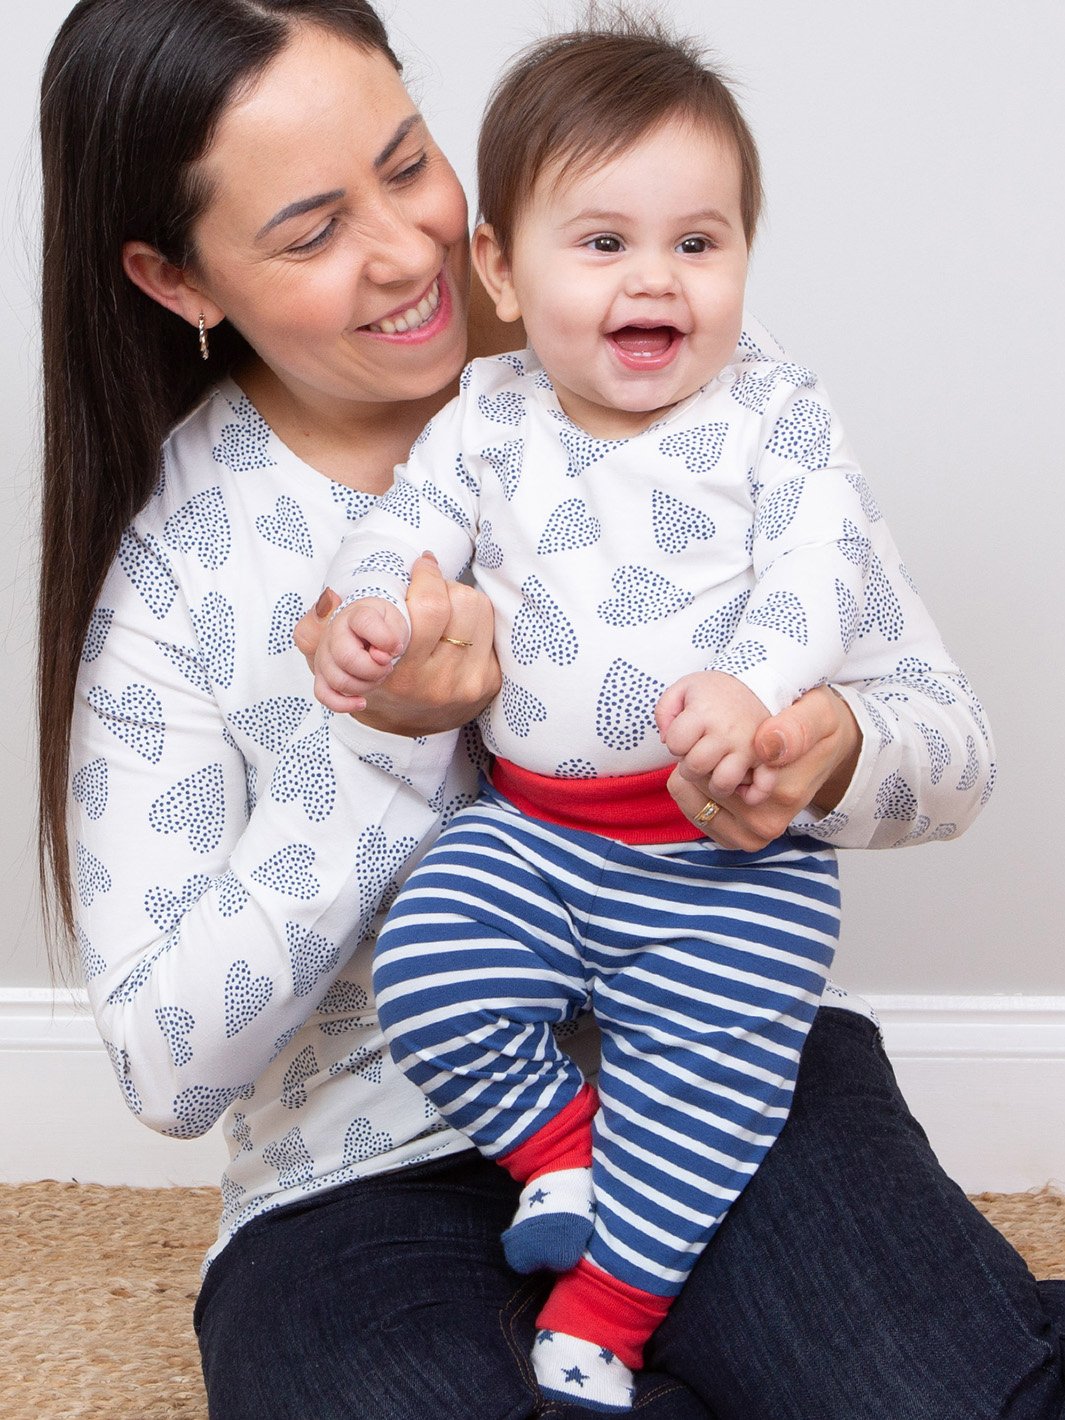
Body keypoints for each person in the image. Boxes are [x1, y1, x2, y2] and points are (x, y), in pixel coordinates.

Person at [35, 2, 1061, 1418]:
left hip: (709, 1059)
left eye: (408, 165)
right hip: (358, 1167)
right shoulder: (181, 566)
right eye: (312, 231)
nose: (406, 254)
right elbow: (166, 1066)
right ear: (177, 276)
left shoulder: (675, 359)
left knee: (944, 1394)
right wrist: (390, 744)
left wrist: (827, 747)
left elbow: (954, 758)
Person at [306, 22, 987, 1411]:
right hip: (537, 837)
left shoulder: (774, 413)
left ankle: (604, 1318)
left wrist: (762, 695)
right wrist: (377, 607)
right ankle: (559, 1152)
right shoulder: (487, 417)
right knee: (430, 966)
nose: (656, 278)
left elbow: (818, 568)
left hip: (723, 869)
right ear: (502, 267)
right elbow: (407, 531)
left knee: (707, 1104)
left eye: (698, 242)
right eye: (604, 242)